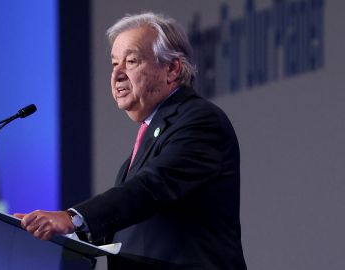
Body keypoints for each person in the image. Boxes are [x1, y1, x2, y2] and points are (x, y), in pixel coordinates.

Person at [14, 12, 247, 269]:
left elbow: (152, 187)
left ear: (172, 69)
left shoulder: (201, 121)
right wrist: (55, 236)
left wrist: (73, 218)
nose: (117, 75)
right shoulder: (132, 161)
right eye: (114, 64)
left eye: (132, 61)